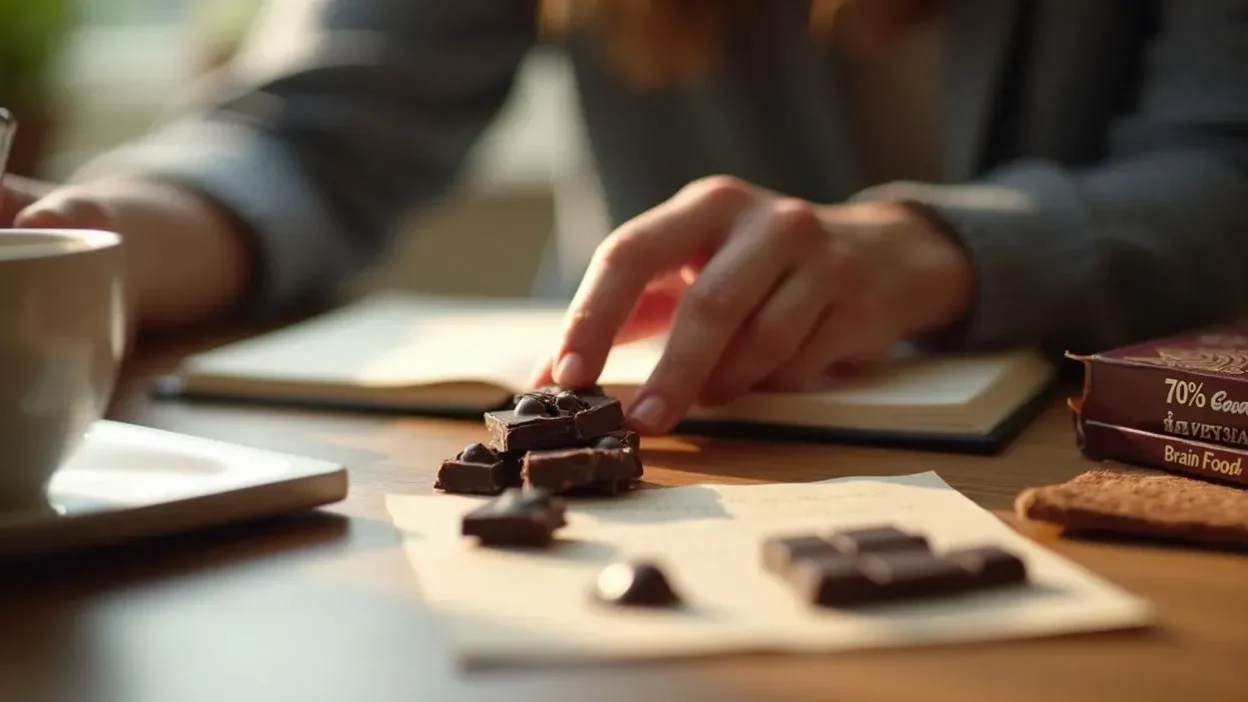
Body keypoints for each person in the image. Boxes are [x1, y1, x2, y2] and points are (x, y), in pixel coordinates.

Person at [2, 0, 1246, 435]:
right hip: (695, 464)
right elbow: (319, 126)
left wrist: (928, 252)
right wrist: (89, 227)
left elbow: (1224, 161)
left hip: (1117, 450)